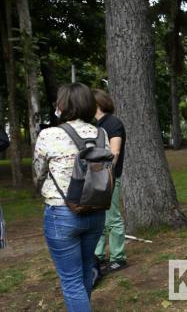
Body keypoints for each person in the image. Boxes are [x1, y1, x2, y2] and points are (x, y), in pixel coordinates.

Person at [33, 83, 109, 311]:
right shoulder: (101, 133)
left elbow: (39, 173)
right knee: (86, 269)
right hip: (95, 211)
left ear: (63, 105)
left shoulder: (49, 134)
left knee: (71, 280)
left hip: (62, 213)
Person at [92, 89, 128, 274]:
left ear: (96, 103)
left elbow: (114, 153)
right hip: (97, 178)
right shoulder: (96, 125)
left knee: (112, 218)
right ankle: (98, 255)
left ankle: (118, 258)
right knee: (99, 218)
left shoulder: (113, 123)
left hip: (109, 177)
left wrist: (105, 174)